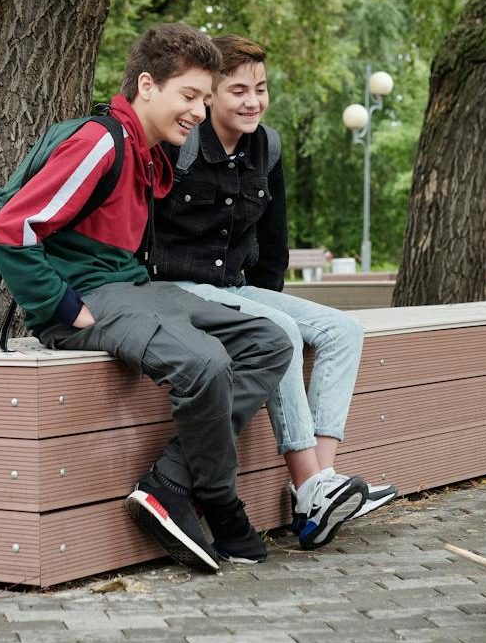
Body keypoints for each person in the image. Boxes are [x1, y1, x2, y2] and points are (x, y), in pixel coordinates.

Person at [0, 24, 292, 573]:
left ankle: (172, 478)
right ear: (147, 86)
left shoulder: (145, 150)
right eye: (189, 96)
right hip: (89, 298)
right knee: (204, 362)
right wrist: (60, 305)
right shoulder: (100, 141)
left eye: (203, 98)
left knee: (268, 340)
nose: (198, 112)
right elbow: (11, 230)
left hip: (133, 291)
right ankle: (220, 503)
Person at [148, 34, 397, 551]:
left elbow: (273, 245)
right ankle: (311, 485)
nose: (253, 101)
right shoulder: (182, 145)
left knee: (342, 329)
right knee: (276, 330)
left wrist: (264, 299)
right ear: (209, 95)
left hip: (234, 287)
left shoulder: (268, 145)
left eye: (261, 89)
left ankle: (317, 487)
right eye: (238, 90)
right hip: (174, 285)